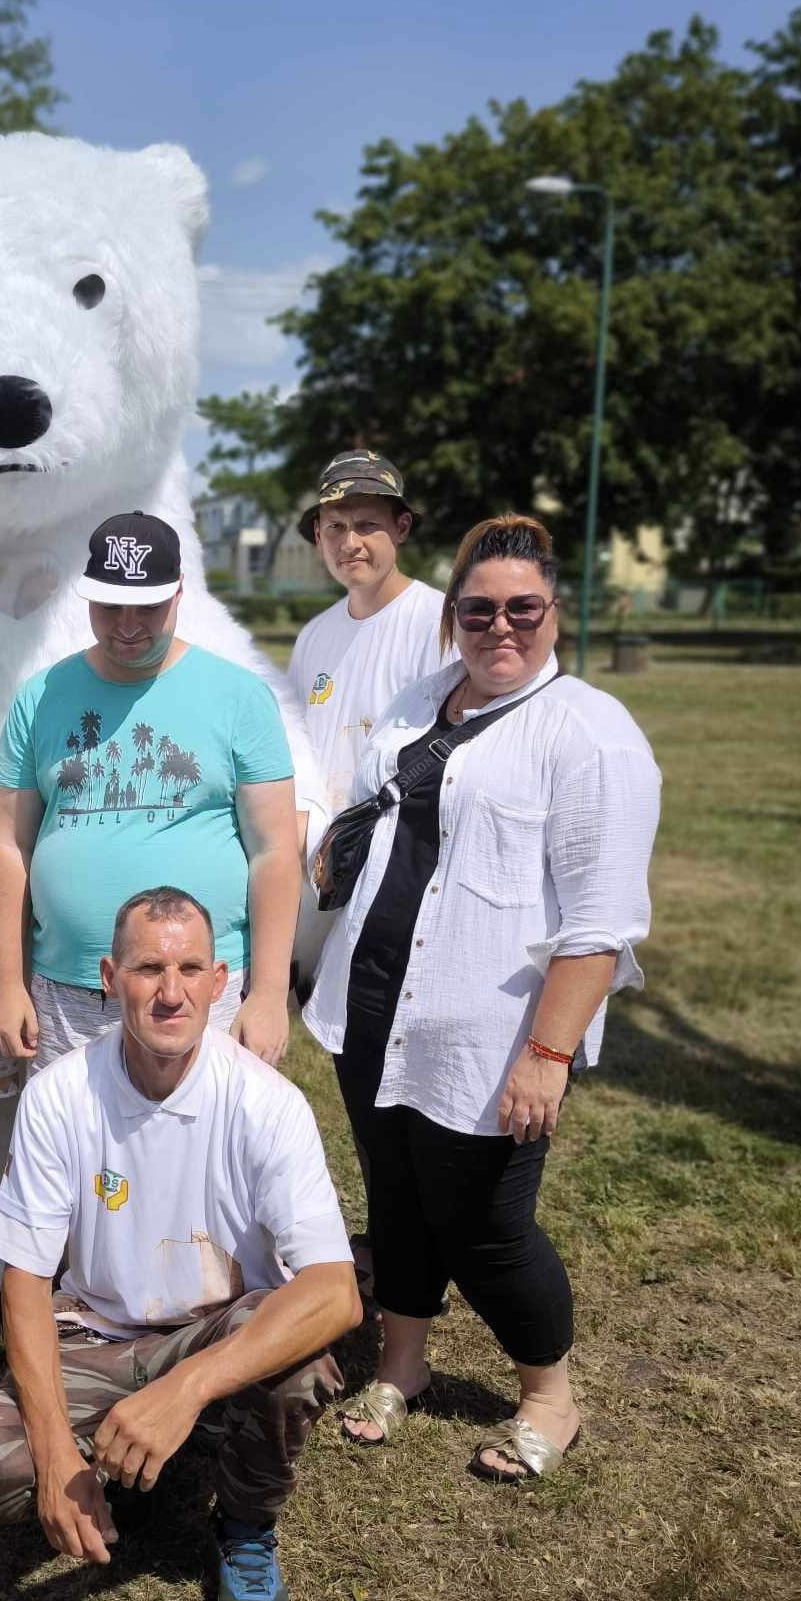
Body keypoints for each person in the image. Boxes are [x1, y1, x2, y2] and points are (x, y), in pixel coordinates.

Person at [304, 515, 661, 1481]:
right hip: (371, 1008)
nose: (499, 627)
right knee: (398, 1197)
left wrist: (547, 1056)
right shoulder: (424, 700)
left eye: (522, 609)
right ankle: (404, 1364)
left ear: (555, 613)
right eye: (478, 610)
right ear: (452, 616)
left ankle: (551, 1395)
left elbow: (600, 923)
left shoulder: (590, 731)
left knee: (484, 1225)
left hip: (491, 1033)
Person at [0, 886, 359, 1601]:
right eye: (147, 968)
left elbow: (335, 1291)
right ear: (110, 977)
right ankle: (110, 1468)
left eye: (189, 968)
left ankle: (245, 1527)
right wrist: (51, 1452)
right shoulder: (57, 1095)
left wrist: (185, 1389)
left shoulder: (267, 1104)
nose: (170, 992)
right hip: (99, 1333)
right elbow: (25, 1282)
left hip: (215, 1328)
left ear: (221, 981)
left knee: (298, 1352)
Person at [0, 511, 313, 1076]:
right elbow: (9, 844)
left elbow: (275, 850)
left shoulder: (238, 696)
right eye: (110, 606)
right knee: (80, 1156)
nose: (128, 624)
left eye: (148, 607)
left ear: (180, 593)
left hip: (200, 992)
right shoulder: (39, 697)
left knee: (204, 1154)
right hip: (70, 993)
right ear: (85, 596)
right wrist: (8, 983)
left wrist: (267, 994)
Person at [287, 448, 447, 1291]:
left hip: (407, 887)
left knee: (406, 1079)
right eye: (337, 526)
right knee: (359, 1074)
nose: (353, 541)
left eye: (370, 525)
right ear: (319, 535)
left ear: (403, 529)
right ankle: (395, 1236)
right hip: (329, 894)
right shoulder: (316, 636)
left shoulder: (436, 624)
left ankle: (420, 1245)